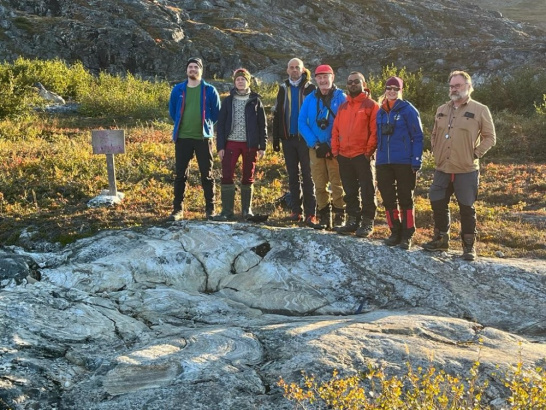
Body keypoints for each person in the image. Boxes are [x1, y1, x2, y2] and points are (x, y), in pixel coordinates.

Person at [423, 70, 496, 260]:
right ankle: (440, 239)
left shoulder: (480, 109)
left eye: (458, 85)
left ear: (469, 87)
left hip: (466, 169)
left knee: (466, 207)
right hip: (442, 168)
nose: (454, 89)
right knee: (437, 201)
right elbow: (434, 134)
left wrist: (475, 153)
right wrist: (436, 151)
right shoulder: (441, 109)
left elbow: (490, 137)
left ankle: (468, 246)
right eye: (452, 86)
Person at [168, 57, 221, 221]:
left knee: (207, 174)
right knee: (180, 175)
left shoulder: (210, 90)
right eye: (190, 67)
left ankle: (210, 210)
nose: (193, 70)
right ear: (186, 70)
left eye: (196, 67)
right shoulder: (178, 90)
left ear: (201, 70)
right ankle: (178, 210)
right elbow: (172, 111)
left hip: (203, 138)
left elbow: (217, 113)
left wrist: (206, 124)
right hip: (183, 138)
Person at [375, 76, 424, 249]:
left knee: (405, 198)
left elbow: (418, 136)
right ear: (385, 89)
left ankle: (407, 234)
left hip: (404, 161)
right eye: (389, 88)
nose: (392, 91)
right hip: (383, 162)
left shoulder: (408, 110)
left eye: (396, 89)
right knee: (388, 198)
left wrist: (416, 159)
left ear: (401, 91)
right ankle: (394, 231)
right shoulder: (380, 112)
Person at [215, 68, 267, 221]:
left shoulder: (256, 100)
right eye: (238, 79)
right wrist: (220, 146)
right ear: (234, 82)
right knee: (227, 174)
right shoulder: (228, 100)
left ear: (248, 81)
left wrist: (262, 146)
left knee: (248, 175)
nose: (240, 81)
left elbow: (262, 124)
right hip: (230, 143)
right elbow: (221, 124)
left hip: (250, 144)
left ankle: (246, 210)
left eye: (243, 79)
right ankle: (227, 211)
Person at [298, 64, 346, 230]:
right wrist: (315, 143)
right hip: (316, 148)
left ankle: (340, 216)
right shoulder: (310, 98)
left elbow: (345, 124)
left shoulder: (341, 97)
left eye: (326, 76)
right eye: (320, 77)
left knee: (337, 182)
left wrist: (332, 144)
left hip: (335, 148)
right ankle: (324, 216)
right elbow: (301, 122)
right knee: (319, 183)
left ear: (332, 77)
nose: (323, 80)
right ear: (316, 79)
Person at [331, 72, 379, 237]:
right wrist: (336, 151)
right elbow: (335, 130)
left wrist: (368, 152)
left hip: (362, 155)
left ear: (363, 83)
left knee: (367, 190)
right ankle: (353, 220)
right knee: (349, 190)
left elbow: (375, 131)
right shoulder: (343, 106)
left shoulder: (371, 105)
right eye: (350, 82)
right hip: (344, 155)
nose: (352, 84)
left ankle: (367, 221)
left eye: (356, 82)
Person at [272, 58, 318, 226]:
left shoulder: (311, 88)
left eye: (297, 67)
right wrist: (276, 138)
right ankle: (296, 211)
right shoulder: (283, 88)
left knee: (308, 175)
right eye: (291, 67)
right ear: (287, 70)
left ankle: (311, 213)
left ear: (302, 69)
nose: (294, 70)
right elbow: (277, 114)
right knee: (292, 176)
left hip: (305, 140)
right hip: (287, 138)